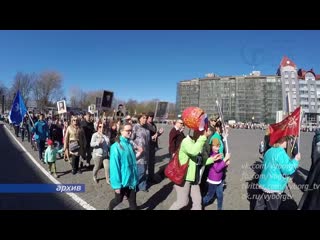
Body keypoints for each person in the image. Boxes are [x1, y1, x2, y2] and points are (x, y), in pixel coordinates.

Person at [169, 127, 219, 210]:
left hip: (193, 178)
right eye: (203, 132)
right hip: (183, 177)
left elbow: (200, 161)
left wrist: (213, 159)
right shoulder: (186, 141)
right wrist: (203, 137)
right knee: (182, 202)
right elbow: (193, 151)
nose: (205, 135)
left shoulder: (197, 143)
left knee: (197, 202)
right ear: (196, 132)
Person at [254, 136, 301, 210]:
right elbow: (288, 170)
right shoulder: (281, 153)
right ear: (282, 140)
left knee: (260, 206)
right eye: (286, 140)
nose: (287, 142)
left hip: (263, 183)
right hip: (273, 187)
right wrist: (295, 160)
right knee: (273, 207)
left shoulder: (269, 151)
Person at [109, 123, 140, 210]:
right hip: (122, 181)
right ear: (121, 131)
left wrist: (140, 153)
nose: (130, 132)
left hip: (131, 181)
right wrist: (116, 185)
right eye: (128, 131)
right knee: (118, 200)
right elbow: (114, 167)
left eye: (131, 130)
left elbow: (132, 161)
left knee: (133, 204)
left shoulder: (130, 144)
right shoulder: (115, 147)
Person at [202, 138, 231, 210]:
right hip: (213, 180)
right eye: (214, 146)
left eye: (218, 146)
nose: (217, 148)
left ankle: (220, 208)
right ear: (211, 146)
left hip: (219, 179)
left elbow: (221, 166)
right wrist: (224, 160)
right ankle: (200, 204)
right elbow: (217, 169)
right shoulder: (212, 156)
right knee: (209, 196)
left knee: (220, 195)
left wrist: (226, 164)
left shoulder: (218, 154)